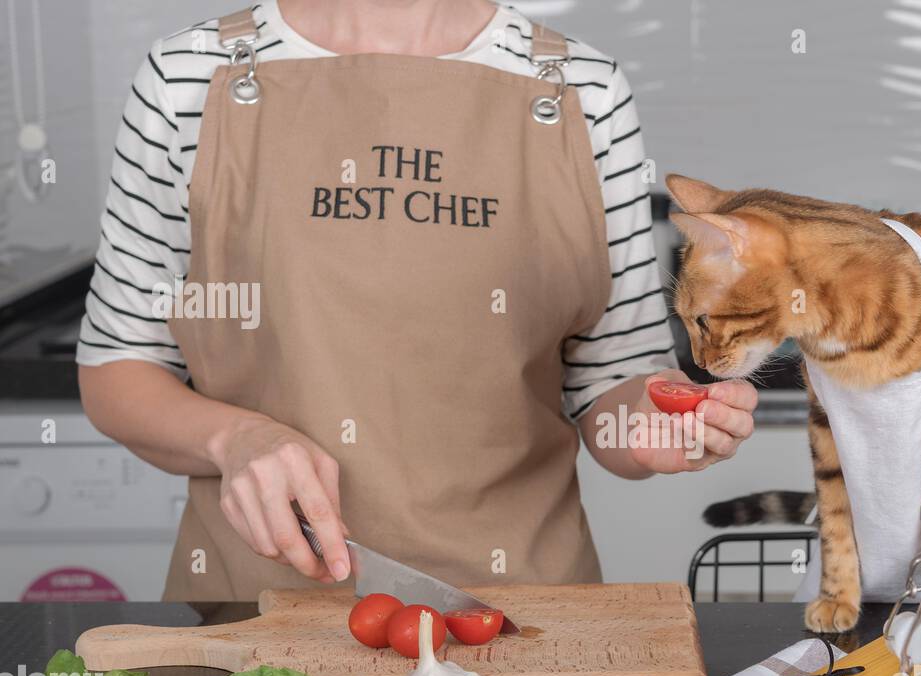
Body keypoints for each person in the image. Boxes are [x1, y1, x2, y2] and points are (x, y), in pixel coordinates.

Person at [77, 0, 758, 600]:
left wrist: (656, 425)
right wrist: (234, 439)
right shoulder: (189, 77)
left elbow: (612, 381)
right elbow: (118, 368)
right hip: (254, 625)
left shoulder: (583, 89)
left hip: (524, 624)